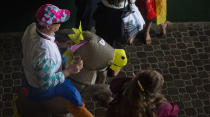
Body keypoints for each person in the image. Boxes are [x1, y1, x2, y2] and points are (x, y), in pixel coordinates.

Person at [21, 4, 94, 117]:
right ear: (49, 26)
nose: (61, 23)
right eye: (58, 21)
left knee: (63, 57)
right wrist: (69, 71)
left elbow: (46, 40)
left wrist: (60, 45)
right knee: (74, 93)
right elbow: (46, 84)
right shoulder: (45, 54)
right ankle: (80, 111)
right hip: (40, 90)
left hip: (29, 73)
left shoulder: (32, 27)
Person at [106, 69, 179, 117]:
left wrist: (131, 81)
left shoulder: (126, 86)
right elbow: (174, 112)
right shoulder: (163, 107)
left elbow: (113, 85)